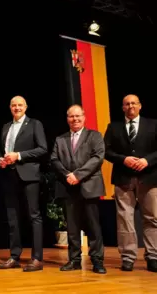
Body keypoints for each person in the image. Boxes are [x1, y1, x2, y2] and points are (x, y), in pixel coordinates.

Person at [104, 94, 157, 273]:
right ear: (123, 107)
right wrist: (123, 159)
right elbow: (106, 151)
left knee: (152, 219)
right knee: (124, 219)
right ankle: (127, 257)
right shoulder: (114, 127)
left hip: (149, 178)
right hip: (123, 179)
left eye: (134, 103)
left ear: (140, 106)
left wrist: (147, 161)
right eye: (127, 104)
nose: (130, 106)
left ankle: (153, 257)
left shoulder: (153, 124)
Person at [51, 104, 106, 274]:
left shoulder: (94, 136)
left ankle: (97, 260)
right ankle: (74, 260)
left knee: (93, 226)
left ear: (84, 117)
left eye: (78, 116)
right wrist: (68, 175)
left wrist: (78, 175)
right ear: (67, 119)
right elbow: (54, 159)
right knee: (72, 227)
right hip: (68, 187)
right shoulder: (60, 139)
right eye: (71, 116)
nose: (75, 119)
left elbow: (97, 158)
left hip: (89, 186)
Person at [0, 96, 47, 272]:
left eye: (20, 105)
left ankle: (37, 258)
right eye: (13, 105)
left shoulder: (34, 124)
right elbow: (1, 150)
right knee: (12, 218)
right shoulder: (5, 127)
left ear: (26, 107)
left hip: (29, 176)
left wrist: (18, 155)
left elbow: (42, 149)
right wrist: (1, 159)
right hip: (9, 176)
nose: (17, 108)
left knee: (34, 216)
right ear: (10, 108)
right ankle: (14, 256)